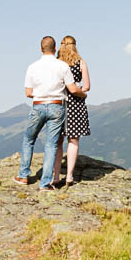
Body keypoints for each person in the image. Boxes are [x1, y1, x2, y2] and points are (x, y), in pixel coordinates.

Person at [18, 35, 86, 191]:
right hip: (57, 106)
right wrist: (83, 95)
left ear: (41, 49)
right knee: (51, 145)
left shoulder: (32, 67)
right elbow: (73, 89)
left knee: (29, 139)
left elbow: (28, 92)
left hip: (38, 105)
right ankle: (45, 184)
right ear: (55, 48)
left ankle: (23, 176)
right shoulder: (62, 66)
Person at [56, 35, 91, 185]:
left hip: (59, 101)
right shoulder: (81, 62)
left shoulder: (57, 63)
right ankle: (69, 175)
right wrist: (80, 90)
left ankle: (55, 175)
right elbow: (87, 86)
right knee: (73, 139)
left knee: (57, 141)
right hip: (76, 102)